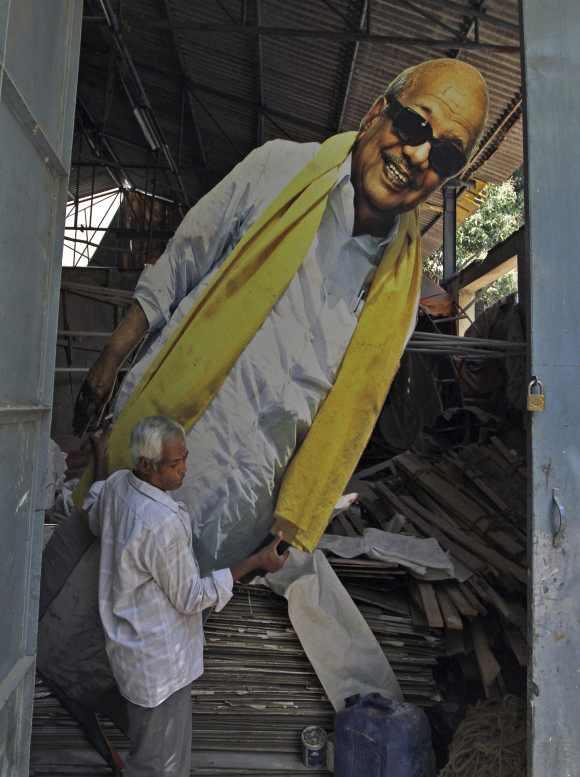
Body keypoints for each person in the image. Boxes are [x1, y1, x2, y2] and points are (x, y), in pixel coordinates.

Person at [75, 58, 489, 573]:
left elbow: (344, 416)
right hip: (155, 456)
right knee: (70, 611)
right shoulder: (280, 171)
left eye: (446, 154)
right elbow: (182, 261)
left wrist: (289, 521)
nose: (419, 153)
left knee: (165, 641)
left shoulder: (400, 292)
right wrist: (112, 356)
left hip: (236, 510)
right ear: (376, 113)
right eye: (413, 125)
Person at [87, 415, 288, 777]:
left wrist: (100, 454)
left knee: (152, 754)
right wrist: (256, 561)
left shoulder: (118, 486)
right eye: (175, 463)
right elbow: (191, 598)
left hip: (132, 653)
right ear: (147, 465)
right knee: (160, 766)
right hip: (160, 665)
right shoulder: (161, 522)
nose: (184, 470)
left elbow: (93, 512)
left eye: (185, 458)